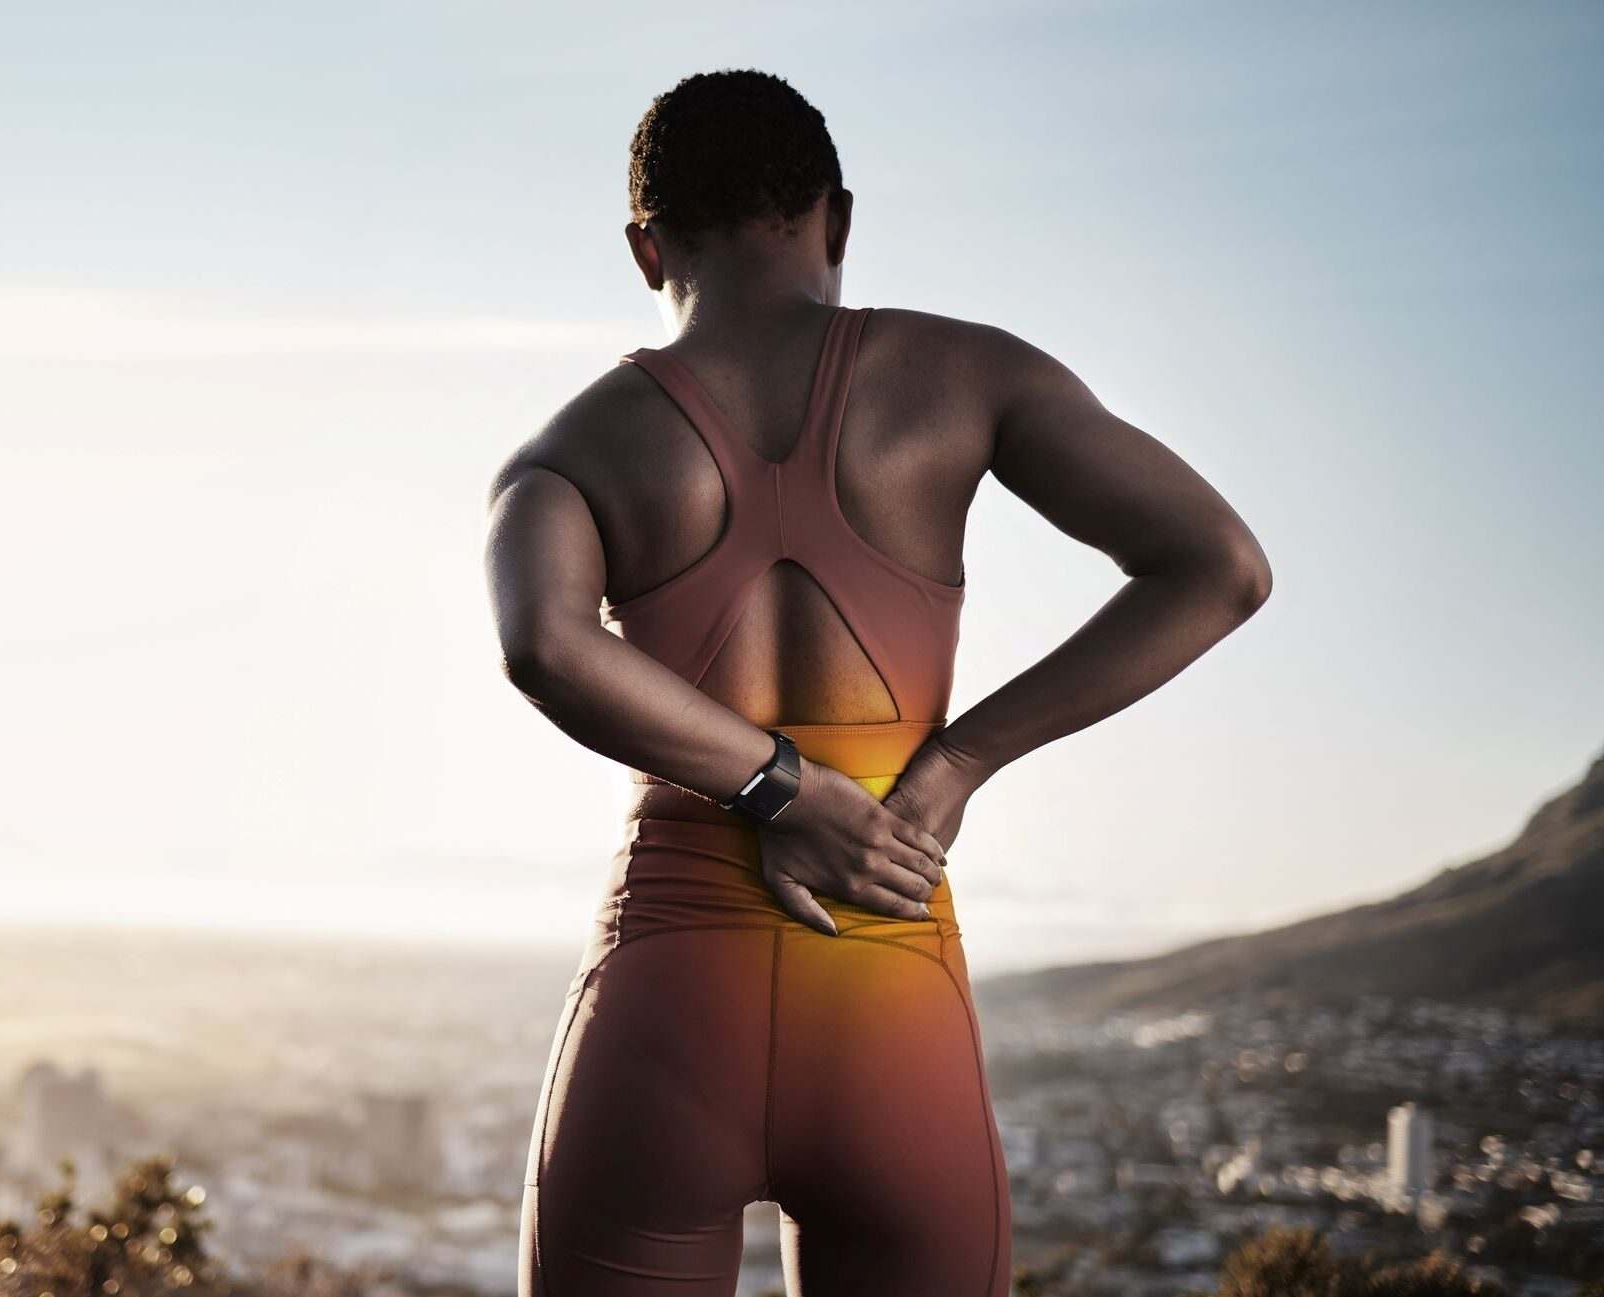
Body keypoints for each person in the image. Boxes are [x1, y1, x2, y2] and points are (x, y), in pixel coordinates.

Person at [483, 69, 1271, 1296]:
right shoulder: (969, 377)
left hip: (668, 986)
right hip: (888, 962)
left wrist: (772, 788)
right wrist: (957, 760)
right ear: (835, 220)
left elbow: (544, 642)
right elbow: (1217, 567)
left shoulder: (569, 448)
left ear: (646, 249)